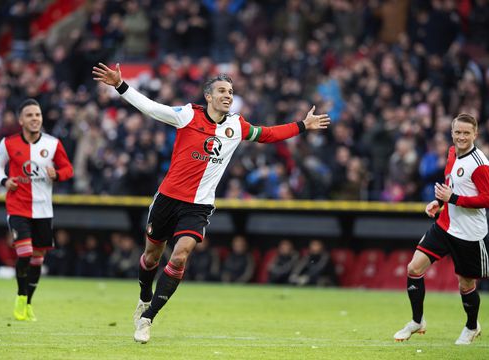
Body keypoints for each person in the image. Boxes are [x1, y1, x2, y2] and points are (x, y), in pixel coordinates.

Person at [92, 62, 331, 344]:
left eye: (230, 91)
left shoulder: (236, 126)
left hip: (199, 206)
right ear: (209, 96)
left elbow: (267, 134)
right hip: (168, 199)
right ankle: (144, 298)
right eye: (221, 90)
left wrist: (303, 125)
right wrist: (121, 86)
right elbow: (151, 108)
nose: (228, 95)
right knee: (151, 257)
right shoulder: (186, 115)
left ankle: (148, 318)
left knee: (180, 256)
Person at [393, 113, 489, 345]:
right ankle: (417, 321)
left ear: (475, 134)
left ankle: (471, 327)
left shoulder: (480, 165)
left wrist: (454, 198)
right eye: (457, 132)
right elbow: (450, 184)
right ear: (452, 133)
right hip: (445, 225)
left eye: (466, 133)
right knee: (413, 268)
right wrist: (439, 203)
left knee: (466, 284)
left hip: (469, 234)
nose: (461, 137)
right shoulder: (451, 153)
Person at [0, 98, 73, 321]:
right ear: (21, 120)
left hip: (44, 210)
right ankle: (20, 295)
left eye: (37, 115)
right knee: (25, 253)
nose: (35, 118)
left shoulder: (53, 144)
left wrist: (59, 174)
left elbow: (68, 169)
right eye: (29, 115)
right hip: (18, 207)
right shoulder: (8, 143)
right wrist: (4, 180)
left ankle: (28, 302)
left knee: (37, 259)